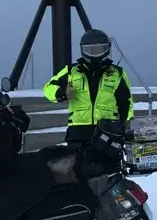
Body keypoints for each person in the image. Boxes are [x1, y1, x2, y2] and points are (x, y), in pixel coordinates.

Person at [42, 29, 135, 171]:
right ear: (82, 50)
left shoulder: (117, 73)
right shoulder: (71, 71)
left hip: (108, 130)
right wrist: (62, 92)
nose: (95, 54)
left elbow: (126, 100)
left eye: (99, 50)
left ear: (107, 50)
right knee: (76, 173)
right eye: (90, 50)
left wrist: (126, 121)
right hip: (78, 132)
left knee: (109, 171)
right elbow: (48, 88)